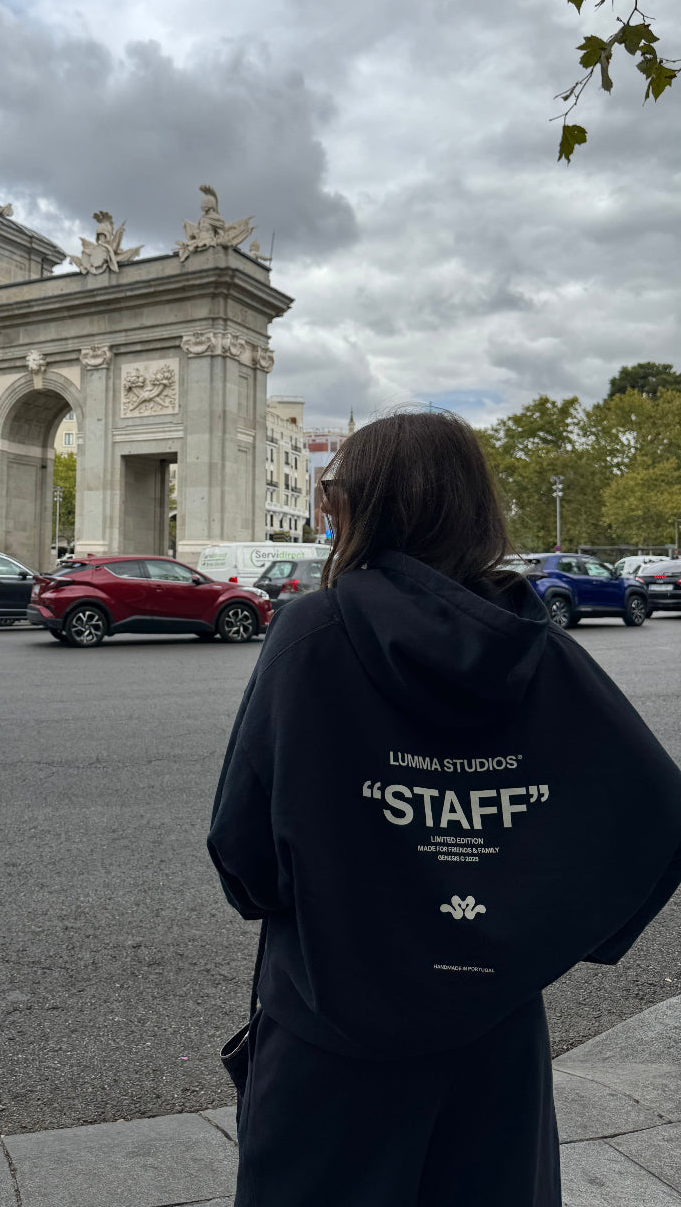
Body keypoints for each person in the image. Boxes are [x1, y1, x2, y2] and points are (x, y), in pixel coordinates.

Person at [208, 409, 681, 1207]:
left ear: (364, 504)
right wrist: (529, 923)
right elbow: (650, 818)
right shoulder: (538, 645)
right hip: (493, 1024)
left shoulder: (313, 633)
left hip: (333, 1017)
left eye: (333, 494)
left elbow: (241, 845)